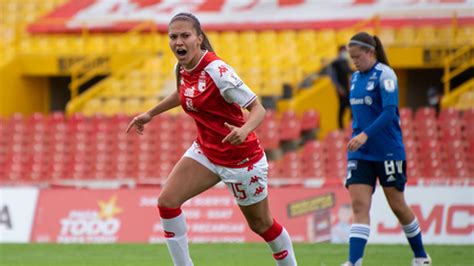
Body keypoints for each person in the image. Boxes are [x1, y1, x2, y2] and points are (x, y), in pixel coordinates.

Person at [126, 13, 297, 266]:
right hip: (206, 151)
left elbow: (258, 108)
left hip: (241, 159)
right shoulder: (181, 68)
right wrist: (151, 113)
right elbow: (182, 93)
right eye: (173, 37)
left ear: (199, 38)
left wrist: (244, 130)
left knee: (261, 225)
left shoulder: (218, 70)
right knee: (167, 202)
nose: (178, 42)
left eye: (185, 35)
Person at [342, 32, 431, 266]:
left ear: (371, 52)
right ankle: (354, 262)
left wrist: (365, 135)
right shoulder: (354, 78)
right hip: (360, 153)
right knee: (359, 206)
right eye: (352, 58)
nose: (355, 62)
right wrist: (357, 136)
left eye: (358, 57)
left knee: (398, 206)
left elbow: (390, 111)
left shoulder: (386, 75)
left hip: (388, 151)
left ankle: (421, 256)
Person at [331, 46, 353, 129]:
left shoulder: (346, 62)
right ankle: (341, 128)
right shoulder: (335, 63)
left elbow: (349, 73)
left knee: (353, 109)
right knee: (342, 110)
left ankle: (351, 126)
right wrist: (339, 89)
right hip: (342, 91)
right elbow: (334, 78)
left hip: (348, 90)